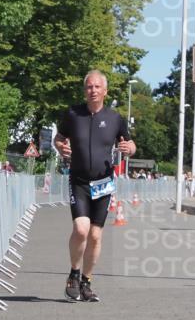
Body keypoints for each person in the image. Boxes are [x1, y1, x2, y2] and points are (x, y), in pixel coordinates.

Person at [53, 70, 135, 303]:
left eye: (97, 87)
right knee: (81, 229)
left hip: (103, 184)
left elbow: (130, 144)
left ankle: (87, 282)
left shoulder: (115, 119)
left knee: (96, 236)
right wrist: (61, 146)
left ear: (105, 91)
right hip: (78, 181)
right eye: (89, 87)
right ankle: (74, 273)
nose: (93, 90)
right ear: (84, 90)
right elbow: (59, 138)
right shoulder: (73, 114)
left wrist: (130, 149)